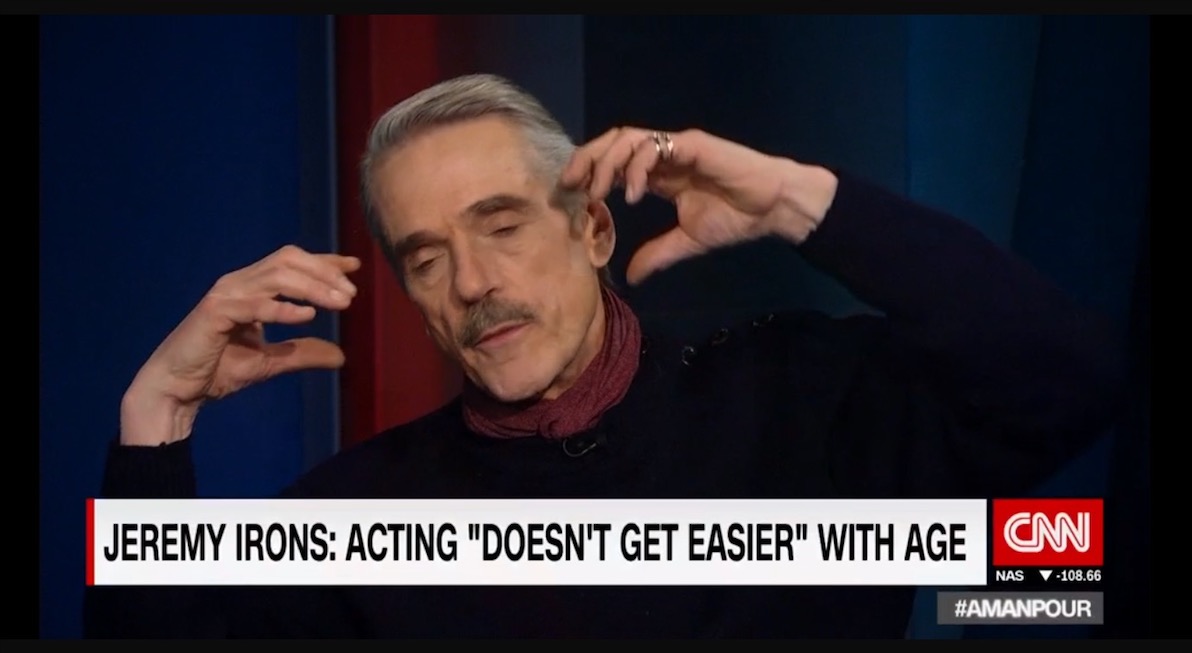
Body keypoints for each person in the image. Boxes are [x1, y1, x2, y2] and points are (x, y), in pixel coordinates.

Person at [85, 73, 1125, 638]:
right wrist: (154, 420)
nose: (474, 281)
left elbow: (1070, 379)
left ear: (592, 229)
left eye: (502, 225)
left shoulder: (799, 401)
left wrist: (800, 202)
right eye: (427, 257)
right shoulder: (354, 519)